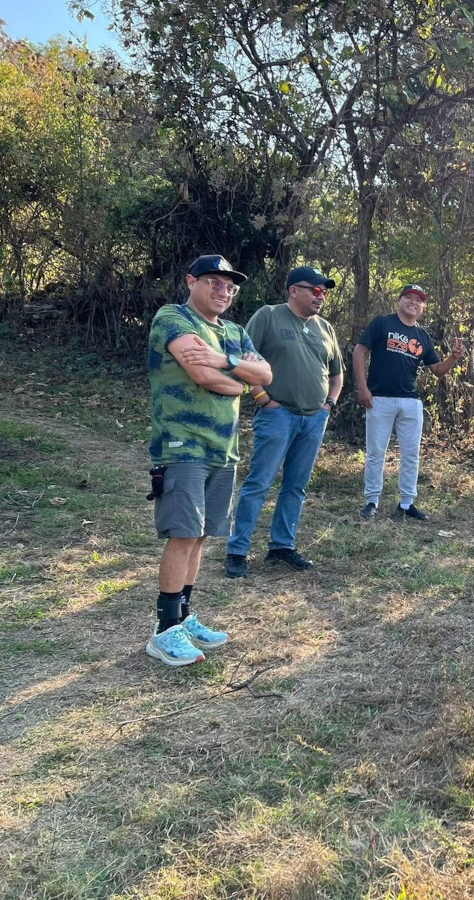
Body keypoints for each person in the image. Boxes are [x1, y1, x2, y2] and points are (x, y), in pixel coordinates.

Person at [146, 254, 272, 666]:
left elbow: (266, 375)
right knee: (182, 534)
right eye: (214, 282)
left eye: (230, 286)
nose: (223, 291)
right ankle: (165, 630)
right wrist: (239, 381)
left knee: (200, 535)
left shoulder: (234, 331)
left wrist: (225, 363)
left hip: (223, 448)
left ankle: (184, 615)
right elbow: (200, 375)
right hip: (183, 445)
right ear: (191, 281)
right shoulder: (173, 318)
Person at [224, 266, 344, 578]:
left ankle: (282, 546)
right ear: (293, 290)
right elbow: (241, 359)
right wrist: (262, 397)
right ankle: (237, 550)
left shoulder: (326, 328)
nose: (321, 296)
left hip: (313, 419)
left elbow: (337, 374)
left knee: (296, 486)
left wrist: (328, 405)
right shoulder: (269, 316)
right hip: (278, 415)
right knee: (259, 483)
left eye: (324, 291)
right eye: (314, 290)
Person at [354, 284, 464, 521]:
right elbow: (359, 352)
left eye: (418, 300)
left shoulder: (422, 336)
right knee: (376, 453)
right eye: (409, 297)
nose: (413, 302)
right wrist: (363, 388)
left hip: (411, 401)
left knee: (411, 454)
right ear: (400, 301)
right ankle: (372, 500)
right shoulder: (383, 323)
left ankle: (406, 504)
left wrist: (453, 357)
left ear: (422, 307)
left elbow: (437, 370)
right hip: (379, 398)